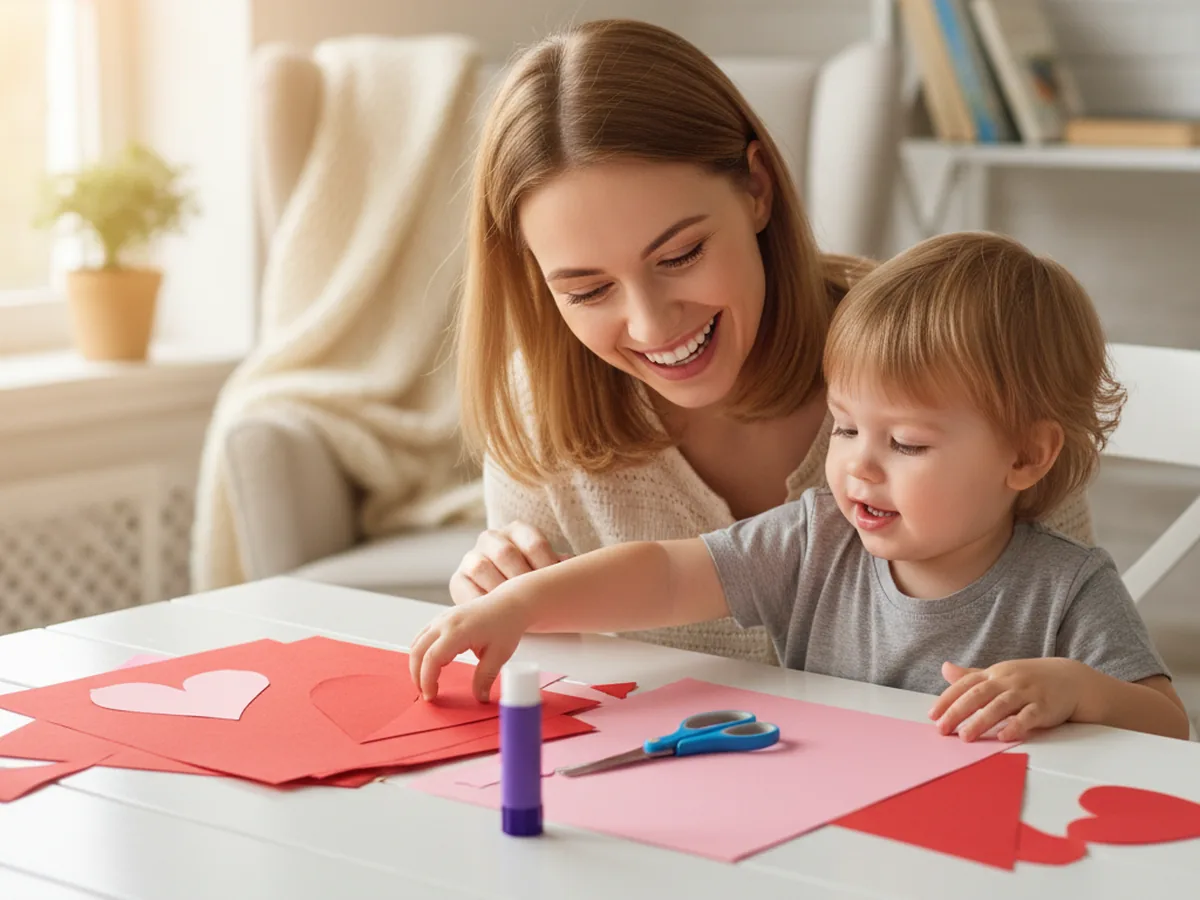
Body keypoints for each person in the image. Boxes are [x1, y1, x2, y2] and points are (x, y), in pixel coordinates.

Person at [451, 18, 1095, 665]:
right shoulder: (539, 412)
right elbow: (560, 680)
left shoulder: (948, 354)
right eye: (588, 291)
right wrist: (509, 598)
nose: (651, 326)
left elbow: (1084, 661)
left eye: (680, 255)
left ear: (756, 188)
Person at [413, 231, 1190, 742]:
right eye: (845, 428)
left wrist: (1077, 690)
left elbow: (1166, 725)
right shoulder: (816, 536)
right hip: (829, 828)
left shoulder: (1069, 587)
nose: (860, 465)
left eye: (908, 443)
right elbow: (666, 571)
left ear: (1025, 458)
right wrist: (521, 601)